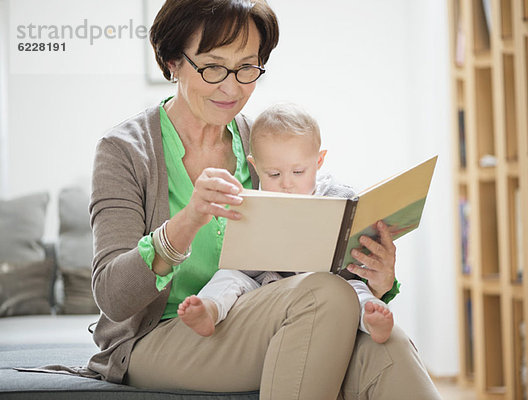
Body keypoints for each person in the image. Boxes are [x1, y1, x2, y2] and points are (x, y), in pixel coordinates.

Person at [87, 0, 442, 398]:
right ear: (172, 60)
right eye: (213, 66)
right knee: (323, 295)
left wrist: (378, 278)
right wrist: (187, 222)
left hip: (269, 317)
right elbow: (113, 298)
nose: (232, 86)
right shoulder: (125, 151)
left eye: (246, 68)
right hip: (159, 338)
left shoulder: (266, 143)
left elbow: (316, 236)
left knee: (386, 343)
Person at [177, 103, 395, 344]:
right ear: (255, 166)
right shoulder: (251, 201)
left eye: (299, 172)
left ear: (319, 161)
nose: (287, 184)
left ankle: (371, 318)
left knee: (355, 290)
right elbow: (241, 260)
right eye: (274, 174)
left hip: (332, 288)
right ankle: (211, 308)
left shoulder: (339, 196)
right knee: (228, 277)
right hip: (267, 288)